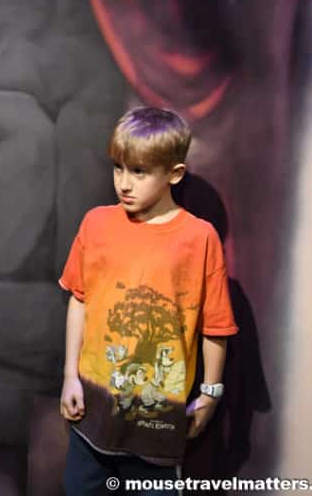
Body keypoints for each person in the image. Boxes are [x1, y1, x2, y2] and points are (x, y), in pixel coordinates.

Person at [59, 107, 238, 494]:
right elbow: (80, 299)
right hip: (91, 416)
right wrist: (70, 375)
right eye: (119, 168)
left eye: (139, 172)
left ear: (173, 174)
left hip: (156, 426)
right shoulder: (96, 223)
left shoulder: (199, 238)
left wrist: (210, 392)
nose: (124, 183)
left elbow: (216, 325)